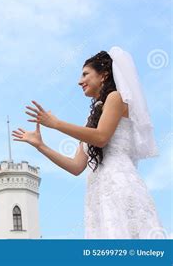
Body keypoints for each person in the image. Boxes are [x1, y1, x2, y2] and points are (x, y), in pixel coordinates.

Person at [12, 47, 164, 239]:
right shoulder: (92, 118)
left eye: (85, 74)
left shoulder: (116, 98)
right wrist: (40, 146)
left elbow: (101, 137)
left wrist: (56, 124)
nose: (79, 81)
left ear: (104, 75)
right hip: (97, 193)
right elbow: (76, 166)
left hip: (119, 186)